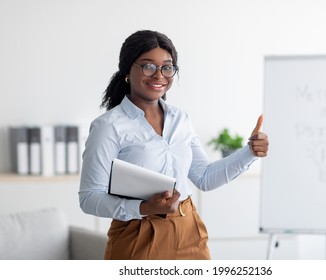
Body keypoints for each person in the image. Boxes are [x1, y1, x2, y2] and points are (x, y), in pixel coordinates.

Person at [79, 30, 269, 260]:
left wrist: (250, 152)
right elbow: (89, 198)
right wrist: (143, 209)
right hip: (138, 234)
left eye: (167, 67)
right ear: (128, 71)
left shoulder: (181, 118)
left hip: (189, 229)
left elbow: (205, 178)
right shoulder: (108, 126)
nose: (159, 75)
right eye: (148, 66)